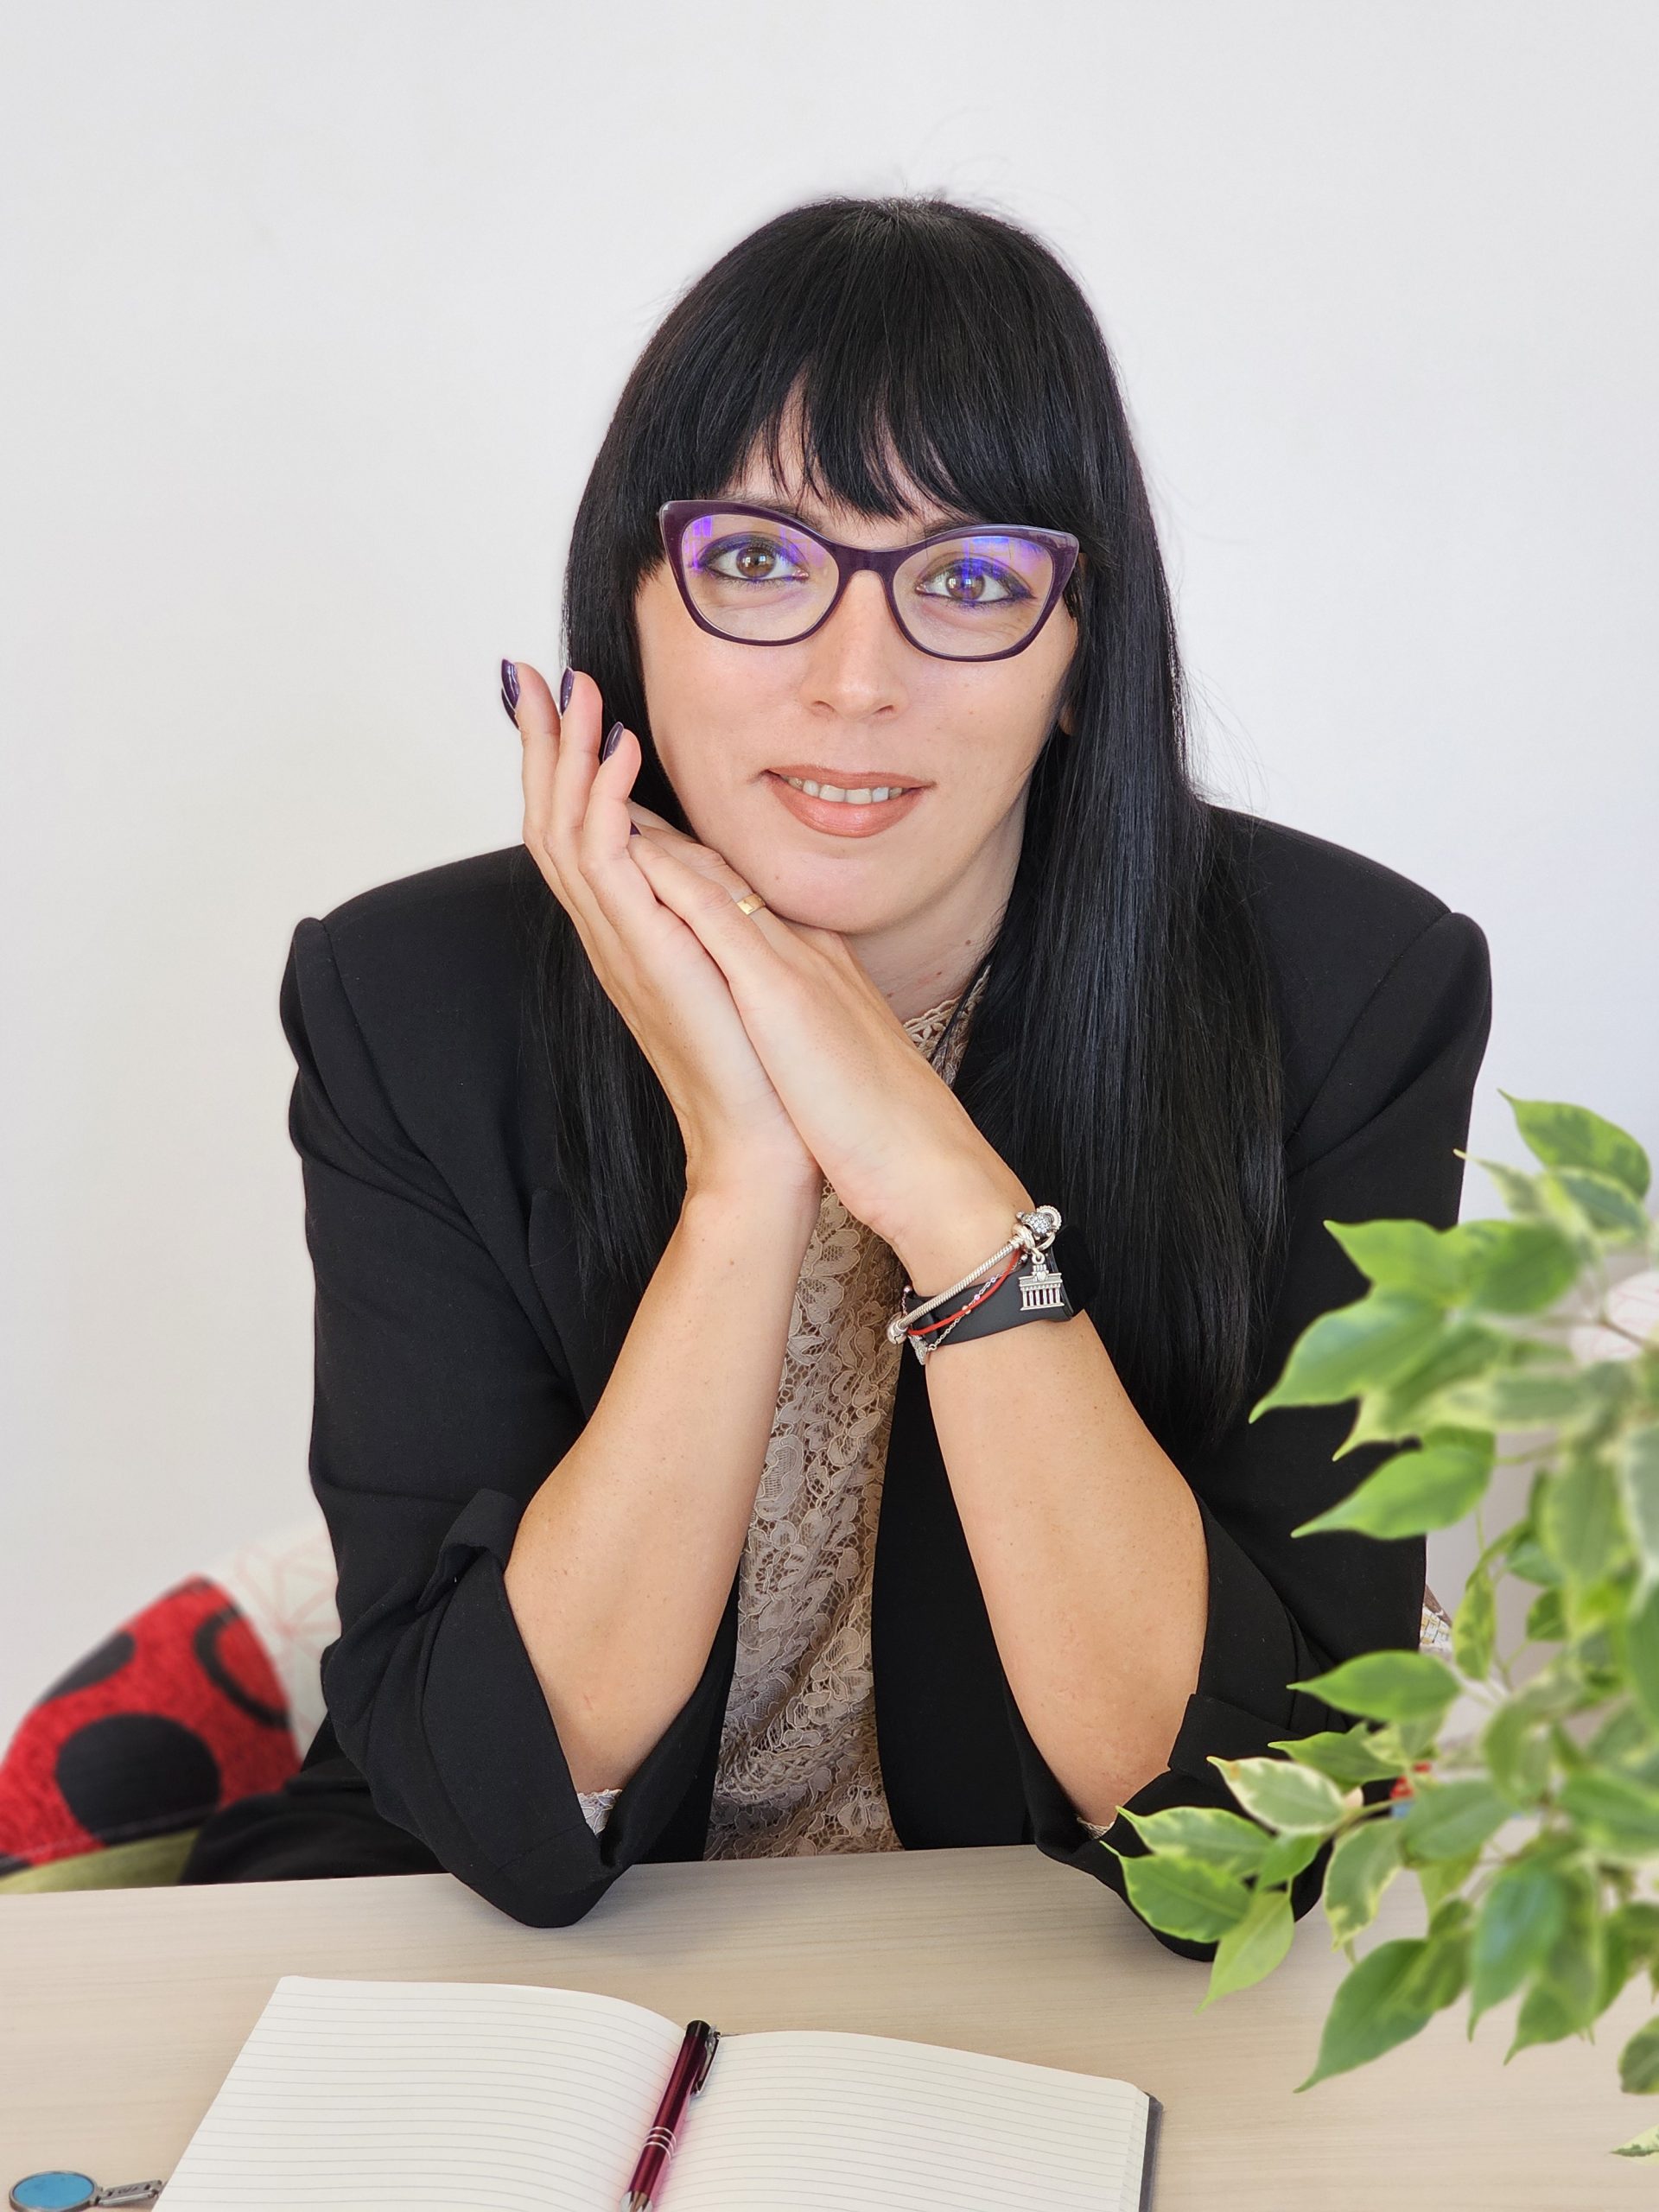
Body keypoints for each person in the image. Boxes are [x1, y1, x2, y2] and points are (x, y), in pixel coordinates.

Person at [179, 193, 1492, 1955]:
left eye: (969, 580)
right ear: (633, 606)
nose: (853, 681)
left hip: (1032, 1952)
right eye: (758, 562)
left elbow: (1246, 1837)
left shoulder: (1350, 994)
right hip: (528, 1947)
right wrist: (747, 1179)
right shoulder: (414, 1002)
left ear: (1083, 653)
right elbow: (496, 1795)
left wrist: (937, 1187)